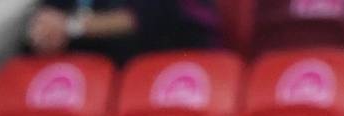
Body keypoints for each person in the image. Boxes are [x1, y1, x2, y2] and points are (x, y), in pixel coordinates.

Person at [26, 0, 220, 62]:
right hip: (88, 78)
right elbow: (49, 17)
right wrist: (45, 34)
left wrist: (69, 27)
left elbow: (142, 17)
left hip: (167, 63)